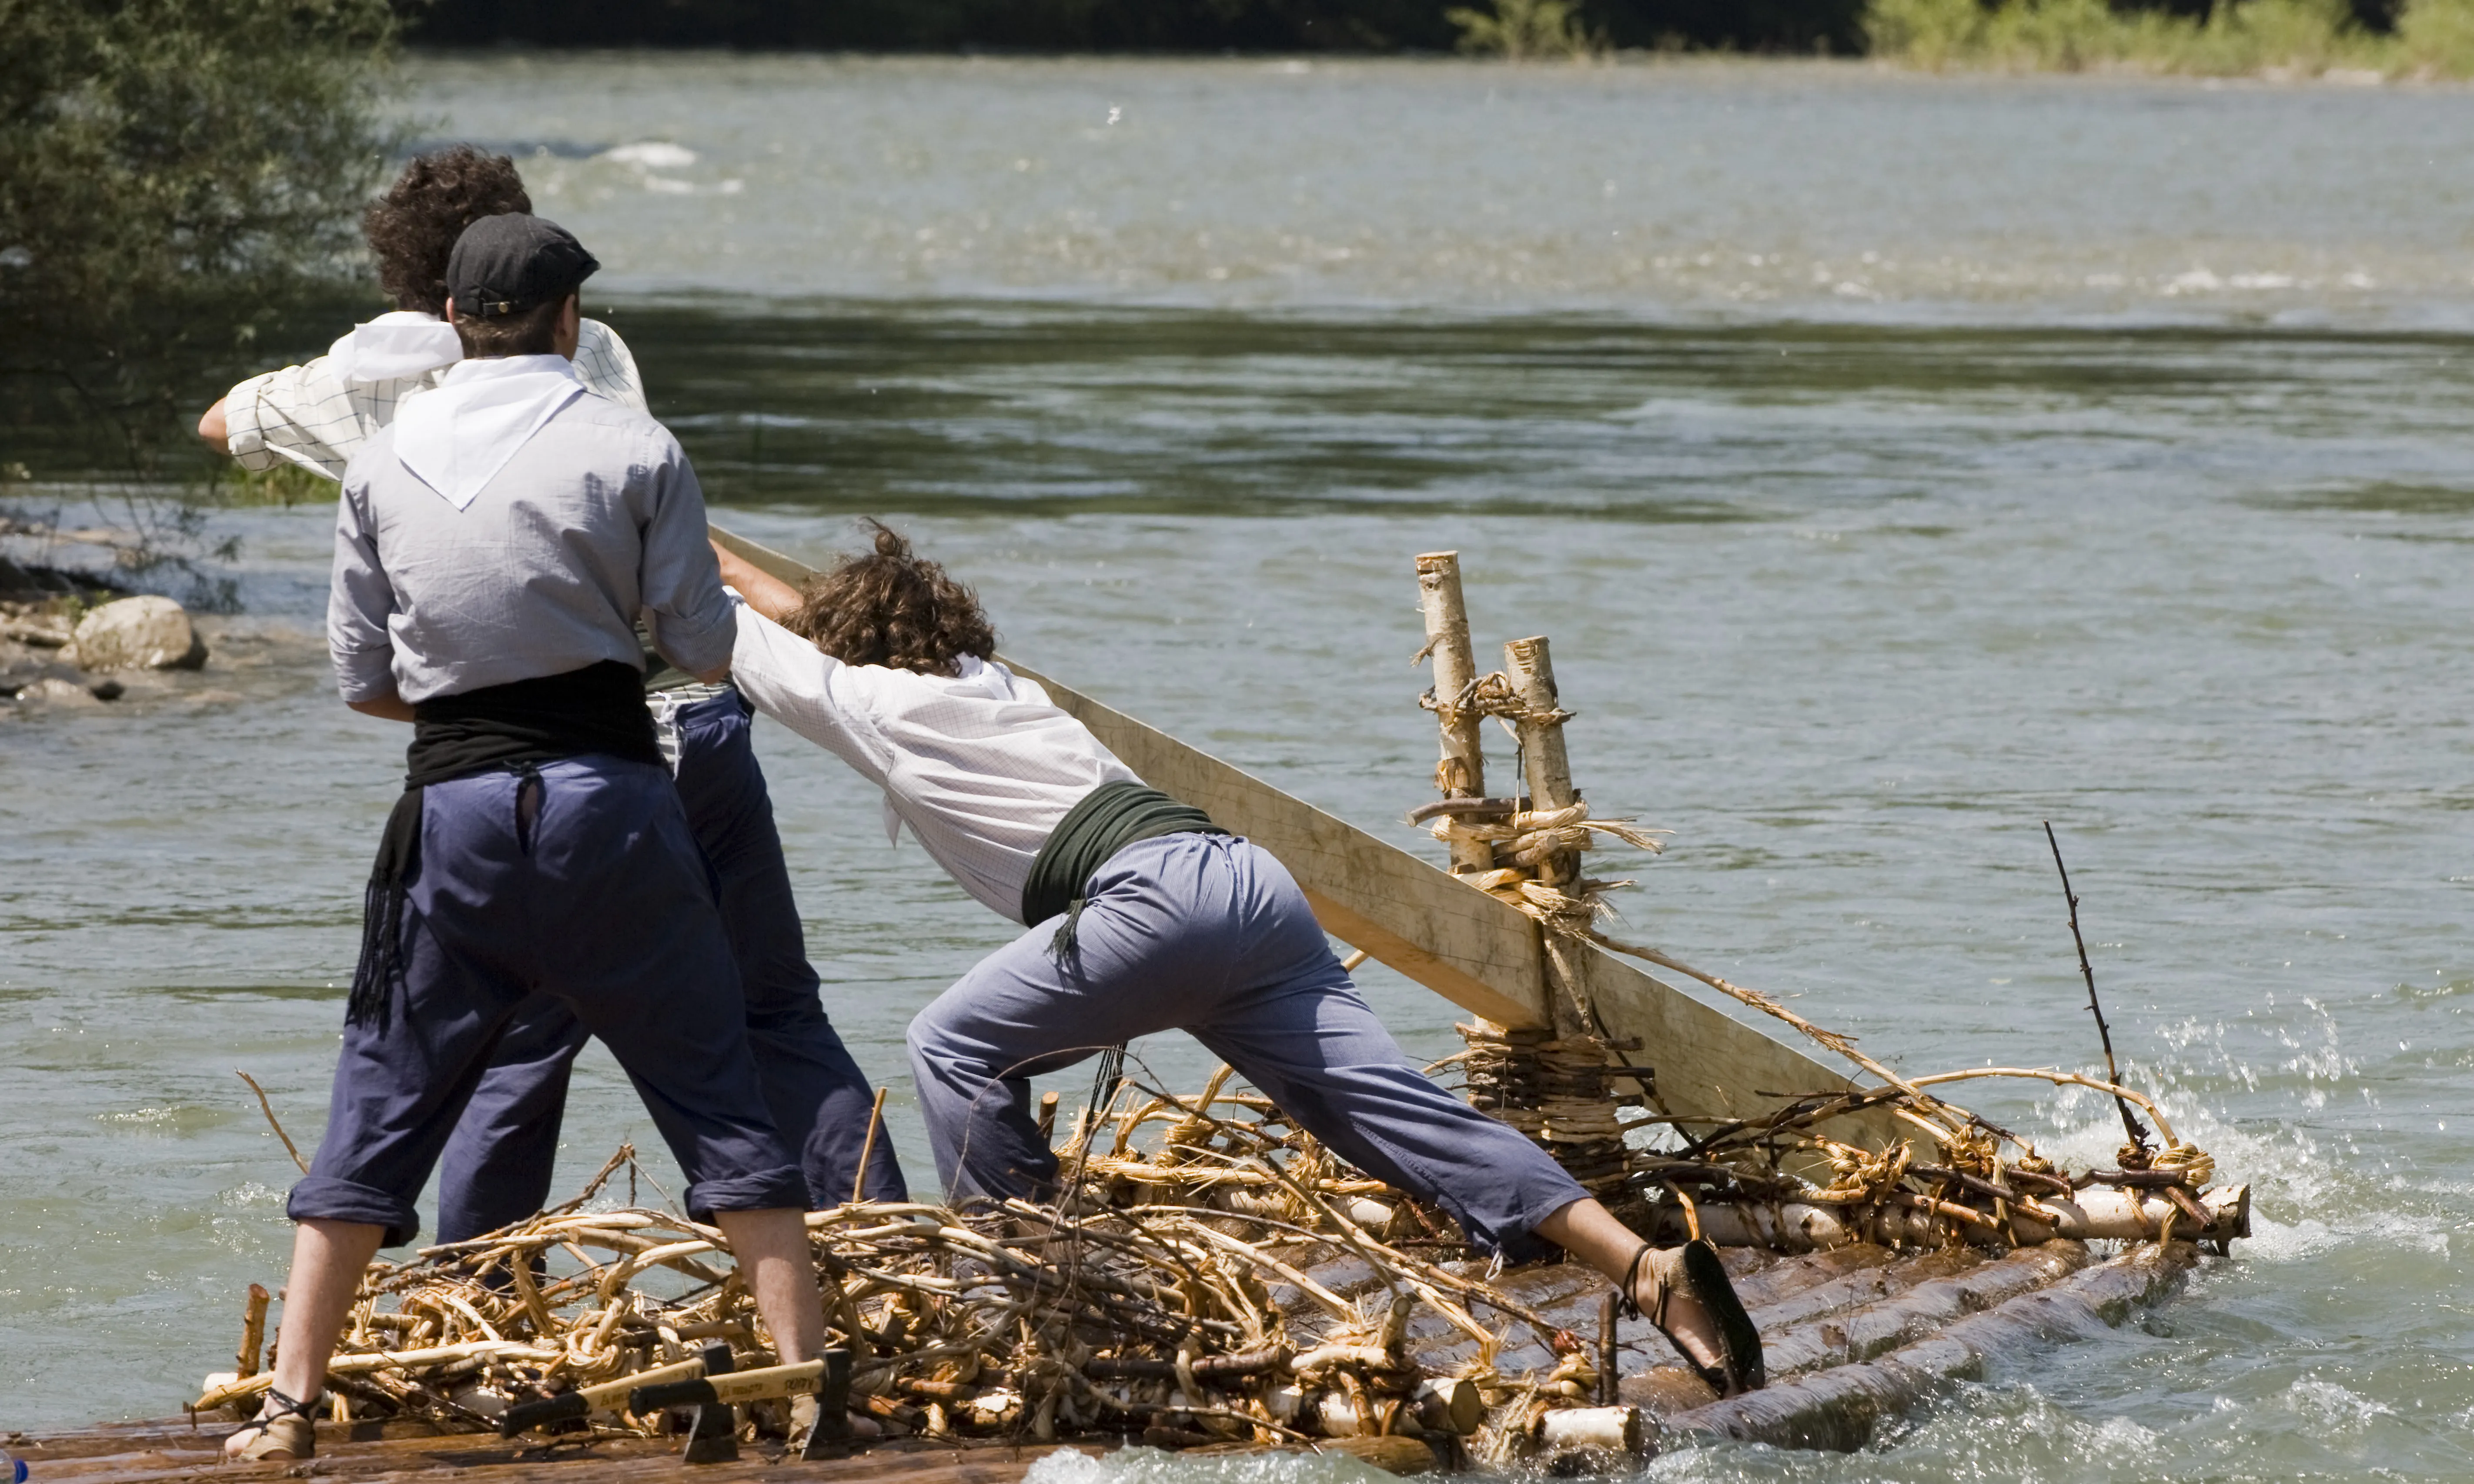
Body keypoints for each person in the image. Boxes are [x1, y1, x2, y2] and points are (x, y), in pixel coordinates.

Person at [710, 523, 1767, 1399]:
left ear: (849, 648)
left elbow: (720, 620)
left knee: (950, 1046)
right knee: (1401, 1112)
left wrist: (666, 512)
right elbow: (793, 612)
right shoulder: (990, 680)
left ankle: (1028, 1303)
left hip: (1152, 905)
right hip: (1248, 886)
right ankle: (1648, 1269)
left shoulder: (864, 701)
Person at [196, 145, 904, 1231]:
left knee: (517, 1046)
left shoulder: (363, 386)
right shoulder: (594, 352)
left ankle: (486, 1282)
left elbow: (221, 422)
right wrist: (780, 601)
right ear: (553, 294)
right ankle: (876, 1240)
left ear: (426, 283)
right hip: (691, 728)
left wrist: (349, 376)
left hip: (522, 777)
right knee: (772, 1009)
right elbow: (666, 543)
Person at [225, 215, 831, 1461]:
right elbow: (705, 645)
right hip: (611, 806)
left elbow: (363, 679)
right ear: (570, 319)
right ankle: (814, 1390)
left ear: (454, 318)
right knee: (718, 1099)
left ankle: (287, 1409)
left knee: (376, 1110)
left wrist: (478, 698)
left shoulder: (380, 464)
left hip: (452, 817)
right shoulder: (634, 445)